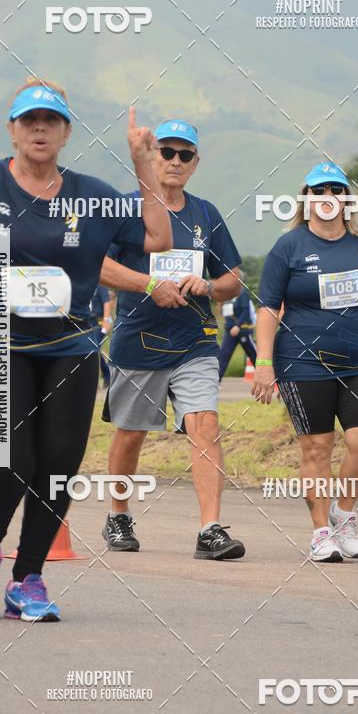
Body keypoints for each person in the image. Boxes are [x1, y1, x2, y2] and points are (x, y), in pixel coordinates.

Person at [0, 59, 171, 620]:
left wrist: (143, 165)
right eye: (29, 120)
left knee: (57, 467)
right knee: (8, 461)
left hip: (70, 349)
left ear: (67, 131)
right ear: (12, 129)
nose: (40, 128)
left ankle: (28, 579)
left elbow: (156, 236)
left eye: (51, 120)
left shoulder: (91, 196)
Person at [100, 119, 246, 560]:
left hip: (194, 343)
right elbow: (98, 265)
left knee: (205, 424)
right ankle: (118, 515)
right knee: (131, 434)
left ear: (195, 163)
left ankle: (210, 529)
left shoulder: (206, 214)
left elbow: (234, 277)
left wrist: (210, 285)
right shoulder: (125, 209)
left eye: (186, 155)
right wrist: (148, 284)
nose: (176, 161)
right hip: (138, 343)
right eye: (167, 152)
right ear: (151, 156)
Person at [253, 162, 358, 562]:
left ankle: (343, 513)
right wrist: (263, 362)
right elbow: (268, 308)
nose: (328, 197)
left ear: (348, 199)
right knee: (317, 447)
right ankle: (320, 533)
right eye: (319, 191)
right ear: (306, 199)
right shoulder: (289, 247)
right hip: (302, 361)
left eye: (336, 190)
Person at [218, 285, 257, 379]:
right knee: (223, 357)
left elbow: (246, 311)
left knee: (254, 356)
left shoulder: (242, 292)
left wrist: (237, 325)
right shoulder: (226, 293)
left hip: (243, 330)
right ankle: (215, 382)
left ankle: (270, 379)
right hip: (230, 332)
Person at [89, 284, 113, 384]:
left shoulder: (100, 285)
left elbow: (107, 302)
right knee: (94, 350)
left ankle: (107, 375)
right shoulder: (88, 284)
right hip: (89, 323)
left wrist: (106, 321)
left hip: (100, 322)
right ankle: (107, 374)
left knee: (94, 348)